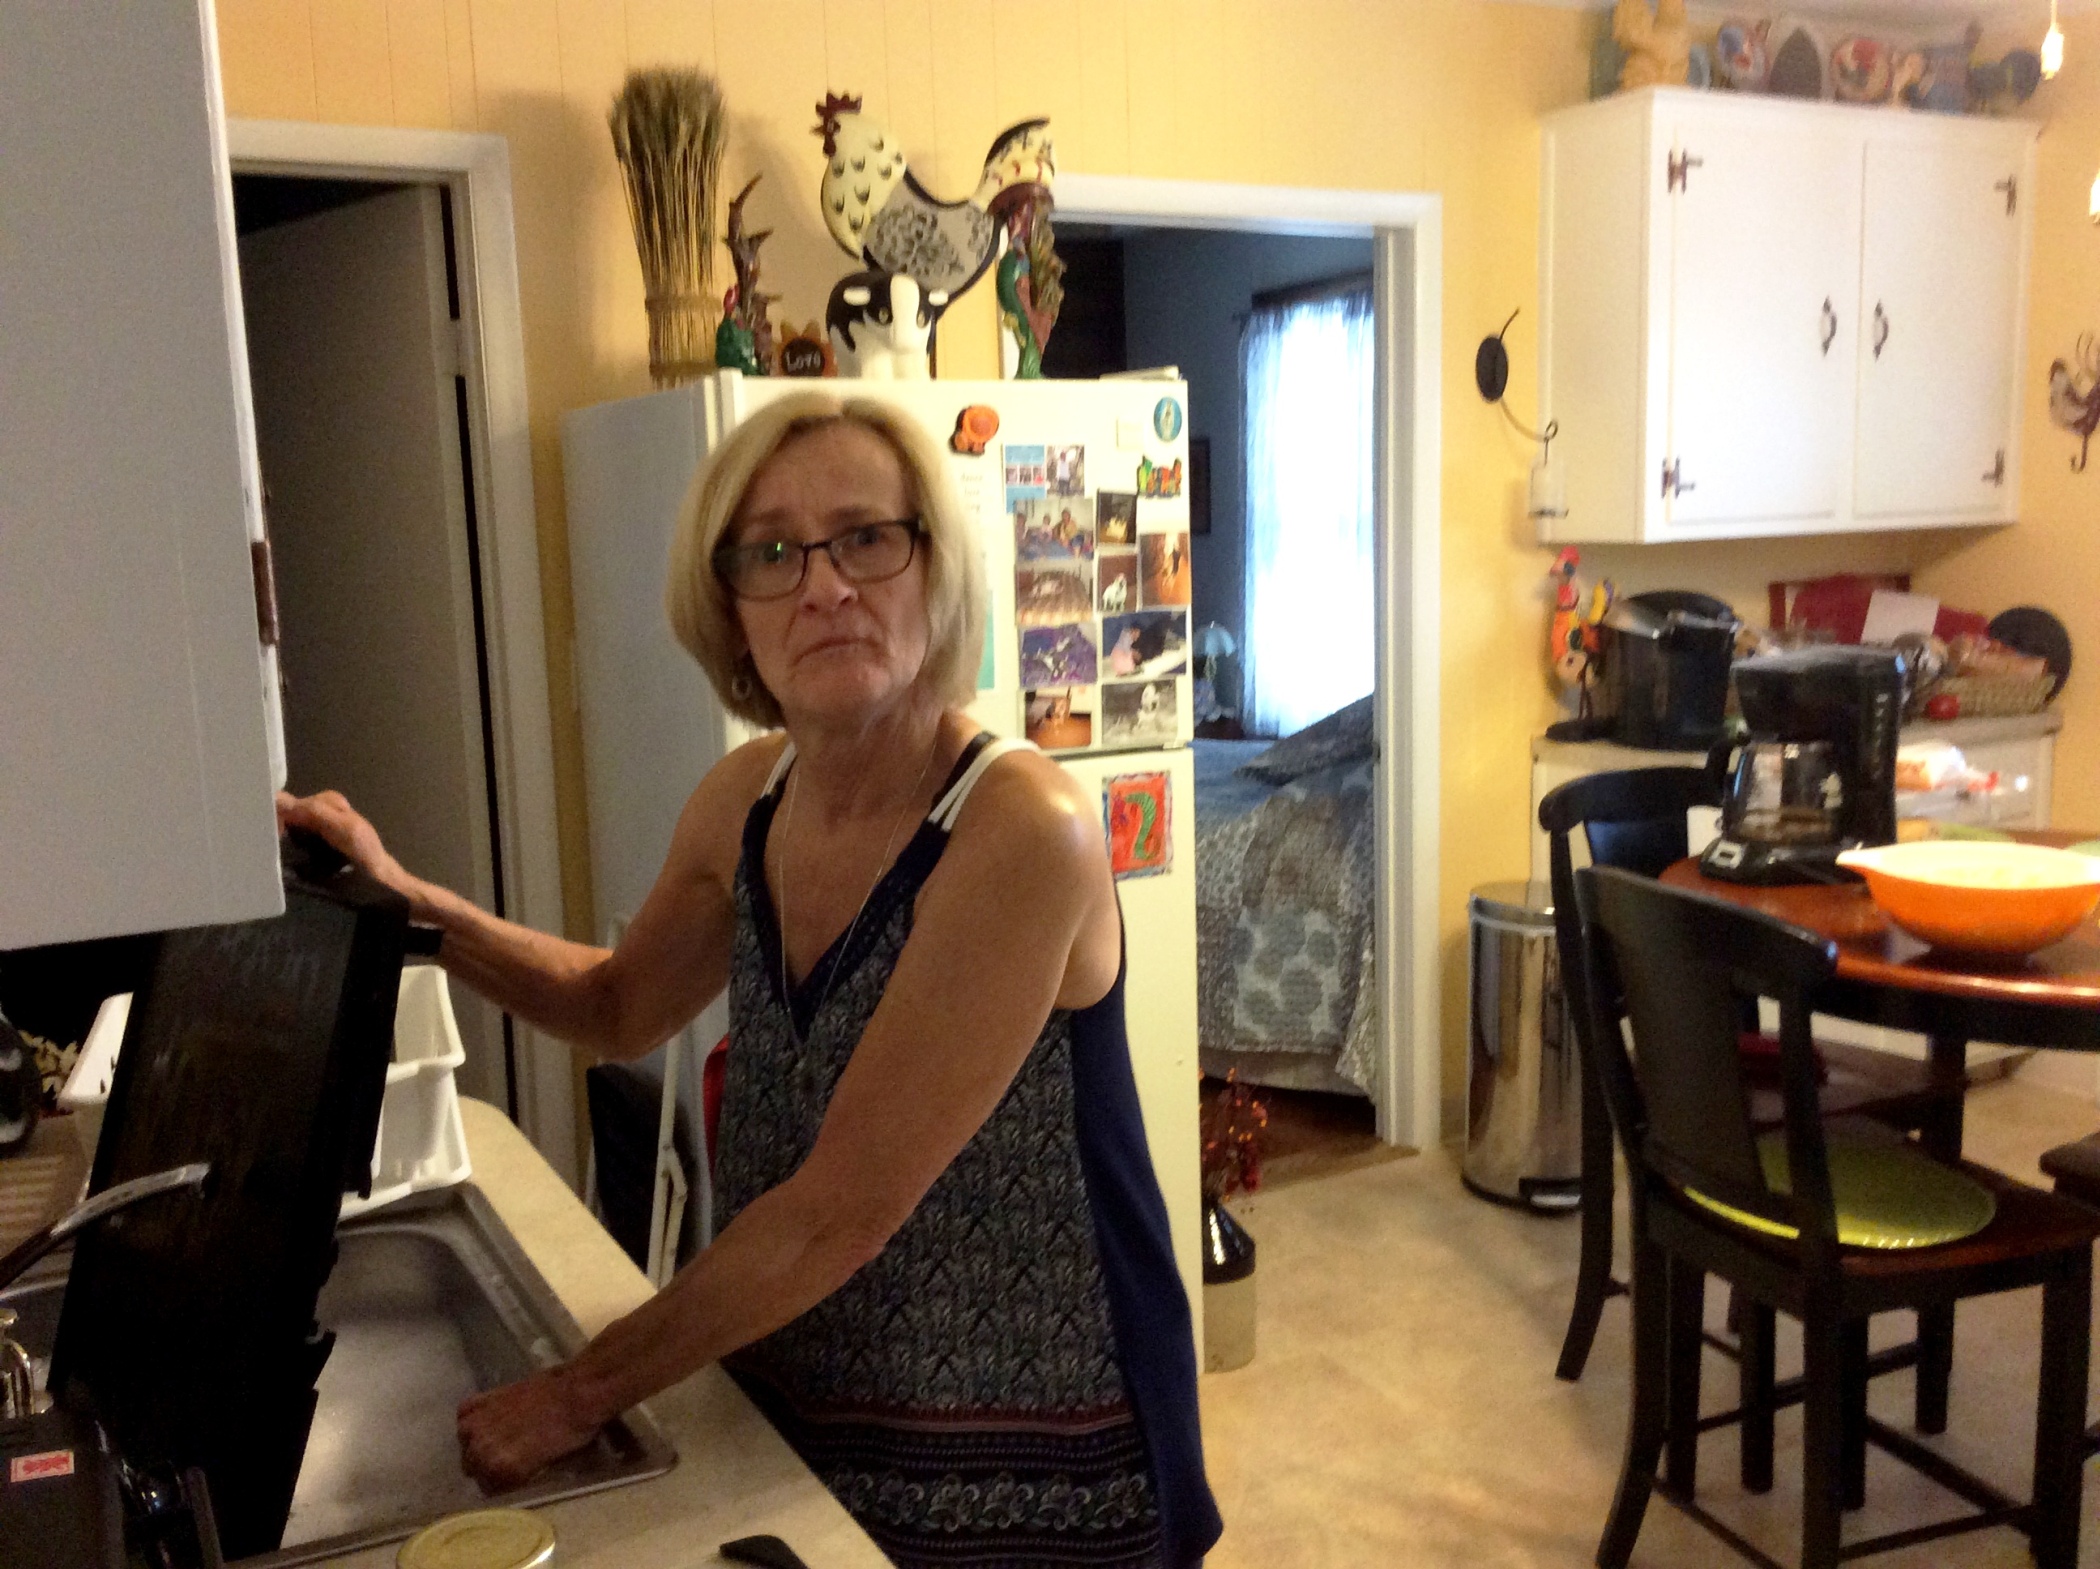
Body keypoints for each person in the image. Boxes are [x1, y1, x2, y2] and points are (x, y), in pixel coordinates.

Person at [279, 391, 1221, 1569]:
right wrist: (404, 904)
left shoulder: (1022, 828)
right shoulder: (748, 802)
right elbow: (618, 1007)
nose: (824, 586)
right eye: (772, 553)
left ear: (937, 572)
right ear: (728, 612)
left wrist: (577, 1393)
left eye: (866, 538)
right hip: (799, 1395)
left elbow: (840, 1209)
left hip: (1033, 1458)